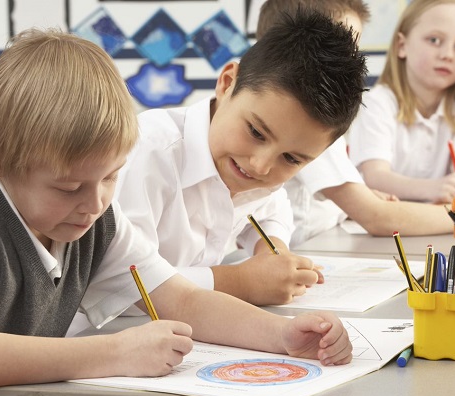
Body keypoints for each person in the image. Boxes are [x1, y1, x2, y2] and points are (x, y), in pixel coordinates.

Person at [0, 28, 355, 396]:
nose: (96, 202)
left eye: (111, 177)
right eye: (69, 188)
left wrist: (282, 336)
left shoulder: (91, 219)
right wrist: (115, 352)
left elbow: (180, 299)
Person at [115, 7, 367, 306]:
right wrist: (239, 282)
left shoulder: (249, 167)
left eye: (292, 159)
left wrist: (273, 250)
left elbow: (272, 209)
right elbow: (121, 283)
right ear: (226, 83)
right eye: (256, 133)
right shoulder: (149, 152)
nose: (261, 165)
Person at [257, 0, 454, 246]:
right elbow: (377, 218)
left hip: (323, 243)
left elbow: (326, 199)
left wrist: (354, 202)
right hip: (304, 250)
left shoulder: (313, 111)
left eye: (354, 52)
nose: (352, 65)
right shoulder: (300, 118)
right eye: (340, 52)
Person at [348, 0, 455, 205]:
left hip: (432, 225)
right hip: (378, 225)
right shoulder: (378, 103)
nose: (447, 55)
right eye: (434, 40)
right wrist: (434, 188)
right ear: (402, 46)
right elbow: (376, 177)